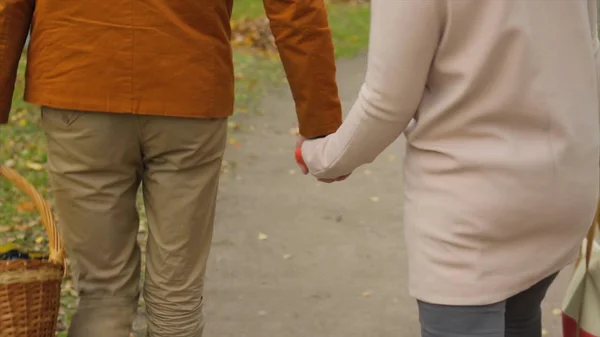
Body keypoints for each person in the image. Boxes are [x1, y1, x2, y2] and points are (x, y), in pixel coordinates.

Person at [0, 1, 342, 336]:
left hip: (81, 79)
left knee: (103, 295)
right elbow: (296, 7)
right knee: (176, 300)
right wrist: (321, 124)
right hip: (189, 84)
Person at [296, 1, 600, 336]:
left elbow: (386, 103)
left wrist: (323, 156)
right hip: (565, 188)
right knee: (521, 313)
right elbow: (590, 52)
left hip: (471, 211)